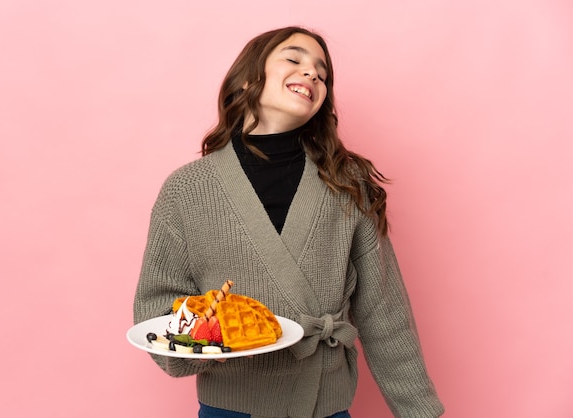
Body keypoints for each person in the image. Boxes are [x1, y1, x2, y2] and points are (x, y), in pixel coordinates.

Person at [133, 26, 444, 418]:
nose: (313, 74)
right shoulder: (186, 190)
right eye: (294, 59)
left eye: (322, 73)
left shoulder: (347, 184)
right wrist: (224, 338)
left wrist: (420, 412)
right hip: (231, 408)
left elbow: (385, 312)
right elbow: (156, 307)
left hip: (324, 406)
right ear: (247, 78)